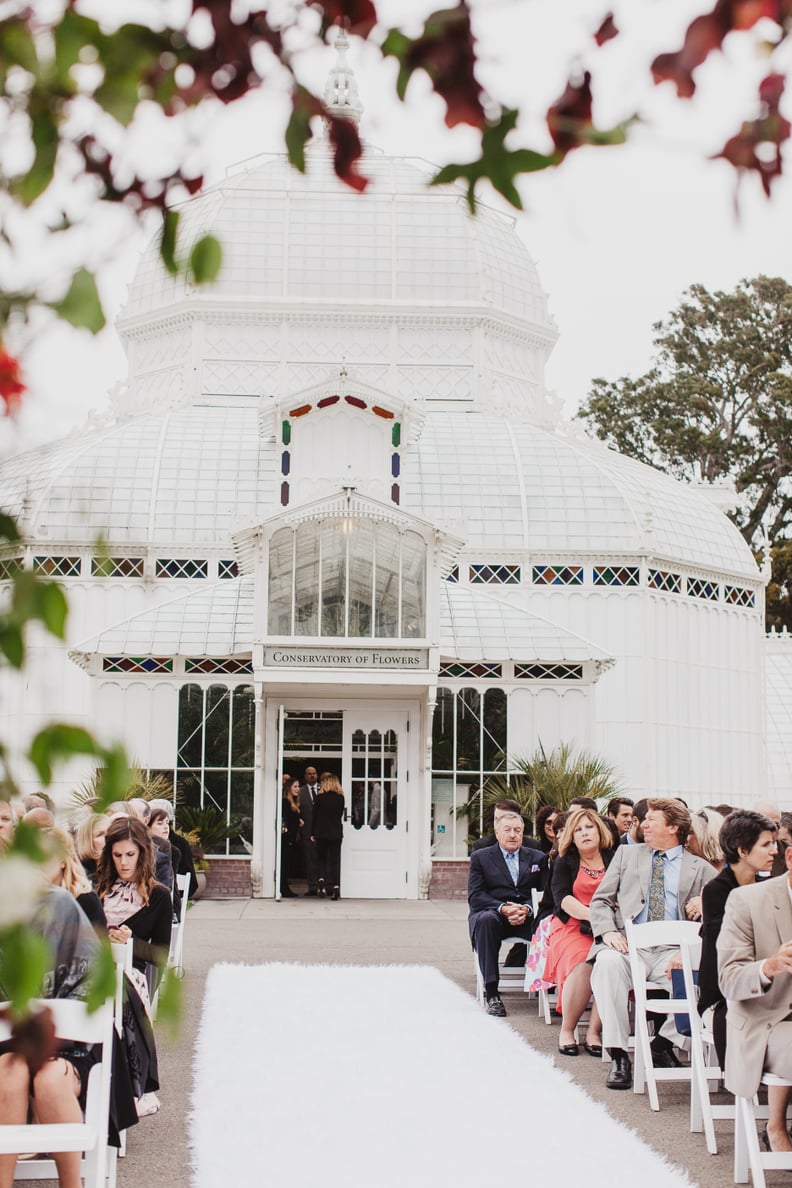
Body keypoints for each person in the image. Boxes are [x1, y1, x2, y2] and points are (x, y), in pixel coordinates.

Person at [589, 797, 717, 1089]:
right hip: (628, 947)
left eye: (651, 820)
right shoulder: (626, 856)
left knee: (702, 982)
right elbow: (601, 901)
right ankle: (619, 1054)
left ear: (673, 827)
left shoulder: (701, 868)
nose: (641, 824)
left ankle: (661, 1043)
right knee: (606, 963)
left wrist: (706, 902)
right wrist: (608, 932)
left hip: (673, 953)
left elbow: (727, 907)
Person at [0, 884, 100, 1188]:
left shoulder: (59, 905)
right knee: (11, 1072)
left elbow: (92, 990)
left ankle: (72, 1184)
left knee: (50, 1078)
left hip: (68, 1048)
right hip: (5, 1048)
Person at [718, 838, 792, 1154]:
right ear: (789, 857)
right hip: (766, 1018)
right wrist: (768, 967)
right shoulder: (746, 900)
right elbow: (728, 979)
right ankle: (775, 1125)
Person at [698, 809, 777, 1068]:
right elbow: (729, 952)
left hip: (771, 984)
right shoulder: (716, 891)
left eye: (774, 843)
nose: (774, 850)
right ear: (743, 851)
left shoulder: (771, 887)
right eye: (766, 844)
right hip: (726, 994)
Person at [545, 808, 616, 1056]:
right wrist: (594, 915)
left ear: (599, 830)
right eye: (578, 830)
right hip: (572, 926)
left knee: (609, 961)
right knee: (584, 960)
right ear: (571, 837)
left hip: (609, 928)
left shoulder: (614, 858)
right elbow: (563, 898)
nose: (584, 833)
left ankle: (594, 1032)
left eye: (589, 827)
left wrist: (607, 922)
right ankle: (568, 1029)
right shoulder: (564, 861)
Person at [467, 812, 546, 1017]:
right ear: (497, 832)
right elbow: (476, 896)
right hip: (494, 914)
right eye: (508, 830)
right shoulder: (481, 857)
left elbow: (546, 895)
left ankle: (549, 988)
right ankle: (492, 992)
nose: (513, 835)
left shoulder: (538, 858)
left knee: (549, 922)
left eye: (517, 830)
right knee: (485, 920)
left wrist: (527, 909)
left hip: (527, 916)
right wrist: (503, 908)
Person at [95, 815, 172, 987]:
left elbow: (160, 955)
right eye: (117, 855)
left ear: (142, 853)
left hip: (130, 979)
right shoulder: (98, 888)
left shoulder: (159, 895)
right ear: (110, 855)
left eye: (130, 854)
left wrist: (130, 941)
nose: (123, 862)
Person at [311, 774, 345, 900]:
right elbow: (340, 814)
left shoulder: (319, 798)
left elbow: (314, 816)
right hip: (335, 832)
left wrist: (312, 833)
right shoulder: (340, 798)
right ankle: (336, 887)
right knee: (335, 860)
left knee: (321, 859)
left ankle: (321, 882)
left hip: (321, 832)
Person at [470, 799, 540, 853]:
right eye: (496, 819)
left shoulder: (533, 847)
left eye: (502, 819)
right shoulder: (481, 847)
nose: (497, 824)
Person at [299, 765, 320, 896]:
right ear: (305, 776)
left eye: (314, 773)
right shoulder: (300, 791)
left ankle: (325, 886)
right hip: (306, 830)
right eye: (309, 773)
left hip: (322, 830)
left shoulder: (323, 789)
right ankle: (312, 886)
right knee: (310, 859)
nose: (312, 775)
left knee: (323, 859)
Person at [280, 779, 302, 897]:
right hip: (287, 837)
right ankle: (283, 888)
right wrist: (284, 828)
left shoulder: (294, 803)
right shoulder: (285, 802)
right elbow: (284, 818)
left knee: (288, 862)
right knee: (284, 863)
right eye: (295, 786)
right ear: (289, 788)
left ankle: (285, 887)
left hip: (292, 837)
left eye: (298, 786)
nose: (298, 789)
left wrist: (299, 821)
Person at [75, 812, 108, 886]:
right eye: (100, 834)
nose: (107, 837)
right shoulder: (80, 875)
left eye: (110, 832)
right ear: (87, 841)